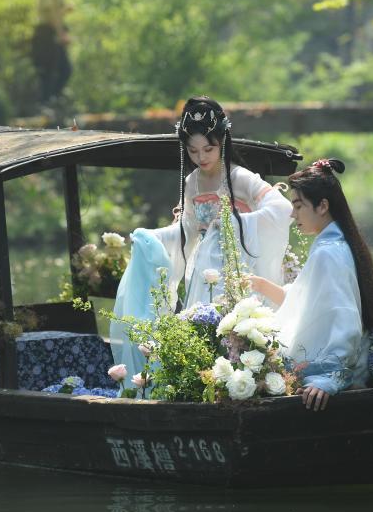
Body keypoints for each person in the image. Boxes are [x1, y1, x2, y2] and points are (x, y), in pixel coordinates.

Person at [111, 97, 292, 382]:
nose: (201, 157)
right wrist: (151, 237)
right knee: (205, 336)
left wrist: (233, 223)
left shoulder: (241, 178)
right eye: (193, 151)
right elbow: (188, 230)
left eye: (209, 149)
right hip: (204, 275)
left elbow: (281, 208)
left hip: (240, 271)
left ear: (223, 142)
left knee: (243, 338)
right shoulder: (192, 182)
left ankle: (246, 385)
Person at [249, 158, 373, 412]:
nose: (293, 214)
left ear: (322, 206)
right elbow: (307, 301)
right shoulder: (336, 243)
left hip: (337, 373)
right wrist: (262, 286)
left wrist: (328, 378)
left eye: (298, 206)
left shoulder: (329, 251)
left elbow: (344, 317)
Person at [31, 0, 73, 113]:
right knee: (47, 70)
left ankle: (54, 99)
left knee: (64, 69)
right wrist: (61, 34)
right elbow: (51, 16)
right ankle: (44, 103)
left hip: (55, 32)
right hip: (45, 33)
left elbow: (57, 15)